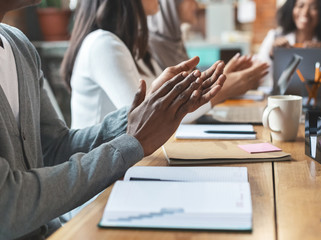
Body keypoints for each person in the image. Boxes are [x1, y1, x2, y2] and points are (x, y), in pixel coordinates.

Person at [0, 0, 226, 238]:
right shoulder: (103, 43)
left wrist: (141, 110)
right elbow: (7, 206)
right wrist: (130, 143)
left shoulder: (18, 45)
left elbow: (54, 149)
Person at [61, 0, 267, 129]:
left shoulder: (131, 46)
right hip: (100, 180)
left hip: (119, 164)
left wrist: (218, 79)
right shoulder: (103, 45)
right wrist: (225, 87)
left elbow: (167, 97)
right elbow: (148, 117)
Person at [147, 0, 269, 105]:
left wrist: (224, 76)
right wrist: (225, 85)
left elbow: (194, 88)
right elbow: (176, 102)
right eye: (190, 0)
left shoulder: (174, 42)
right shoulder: (152, 46)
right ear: (173, 4)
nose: (196, 4)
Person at [256, 0, 321, 88]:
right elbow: (257, 78)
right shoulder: (275, 36)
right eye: (300, 6)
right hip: (282, 99)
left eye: (314, 8)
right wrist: (271, 55)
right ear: (291, 8)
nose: (305, 13)